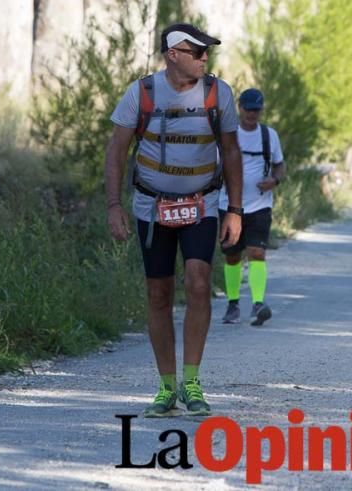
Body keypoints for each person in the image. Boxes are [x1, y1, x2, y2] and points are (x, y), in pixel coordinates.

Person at [104, 22, 243, 418]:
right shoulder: (142, 93)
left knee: (199, 284)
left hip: (202, 204)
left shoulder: (219, 94)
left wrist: (235, 210)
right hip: (152, 207)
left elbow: (231, 153)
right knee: (158, 295)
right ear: (172, 55)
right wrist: (114, 205)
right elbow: (116, 151)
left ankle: (192, 381)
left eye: (206, 53)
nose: (204, 59)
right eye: (197, 52)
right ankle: (166, 387)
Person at [218, 89, 286, 326]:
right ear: (240, 108)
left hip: (259, 205)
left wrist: (274, 181)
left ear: (261, 110)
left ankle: (258, 303)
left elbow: (280, 166)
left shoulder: (269, 136)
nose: (252, 114)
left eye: (256, 109)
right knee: (233, 256)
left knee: (257, 252)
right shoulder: (228, 134)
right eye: (248, 109)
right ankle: (233, 304)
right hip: (227, 206)